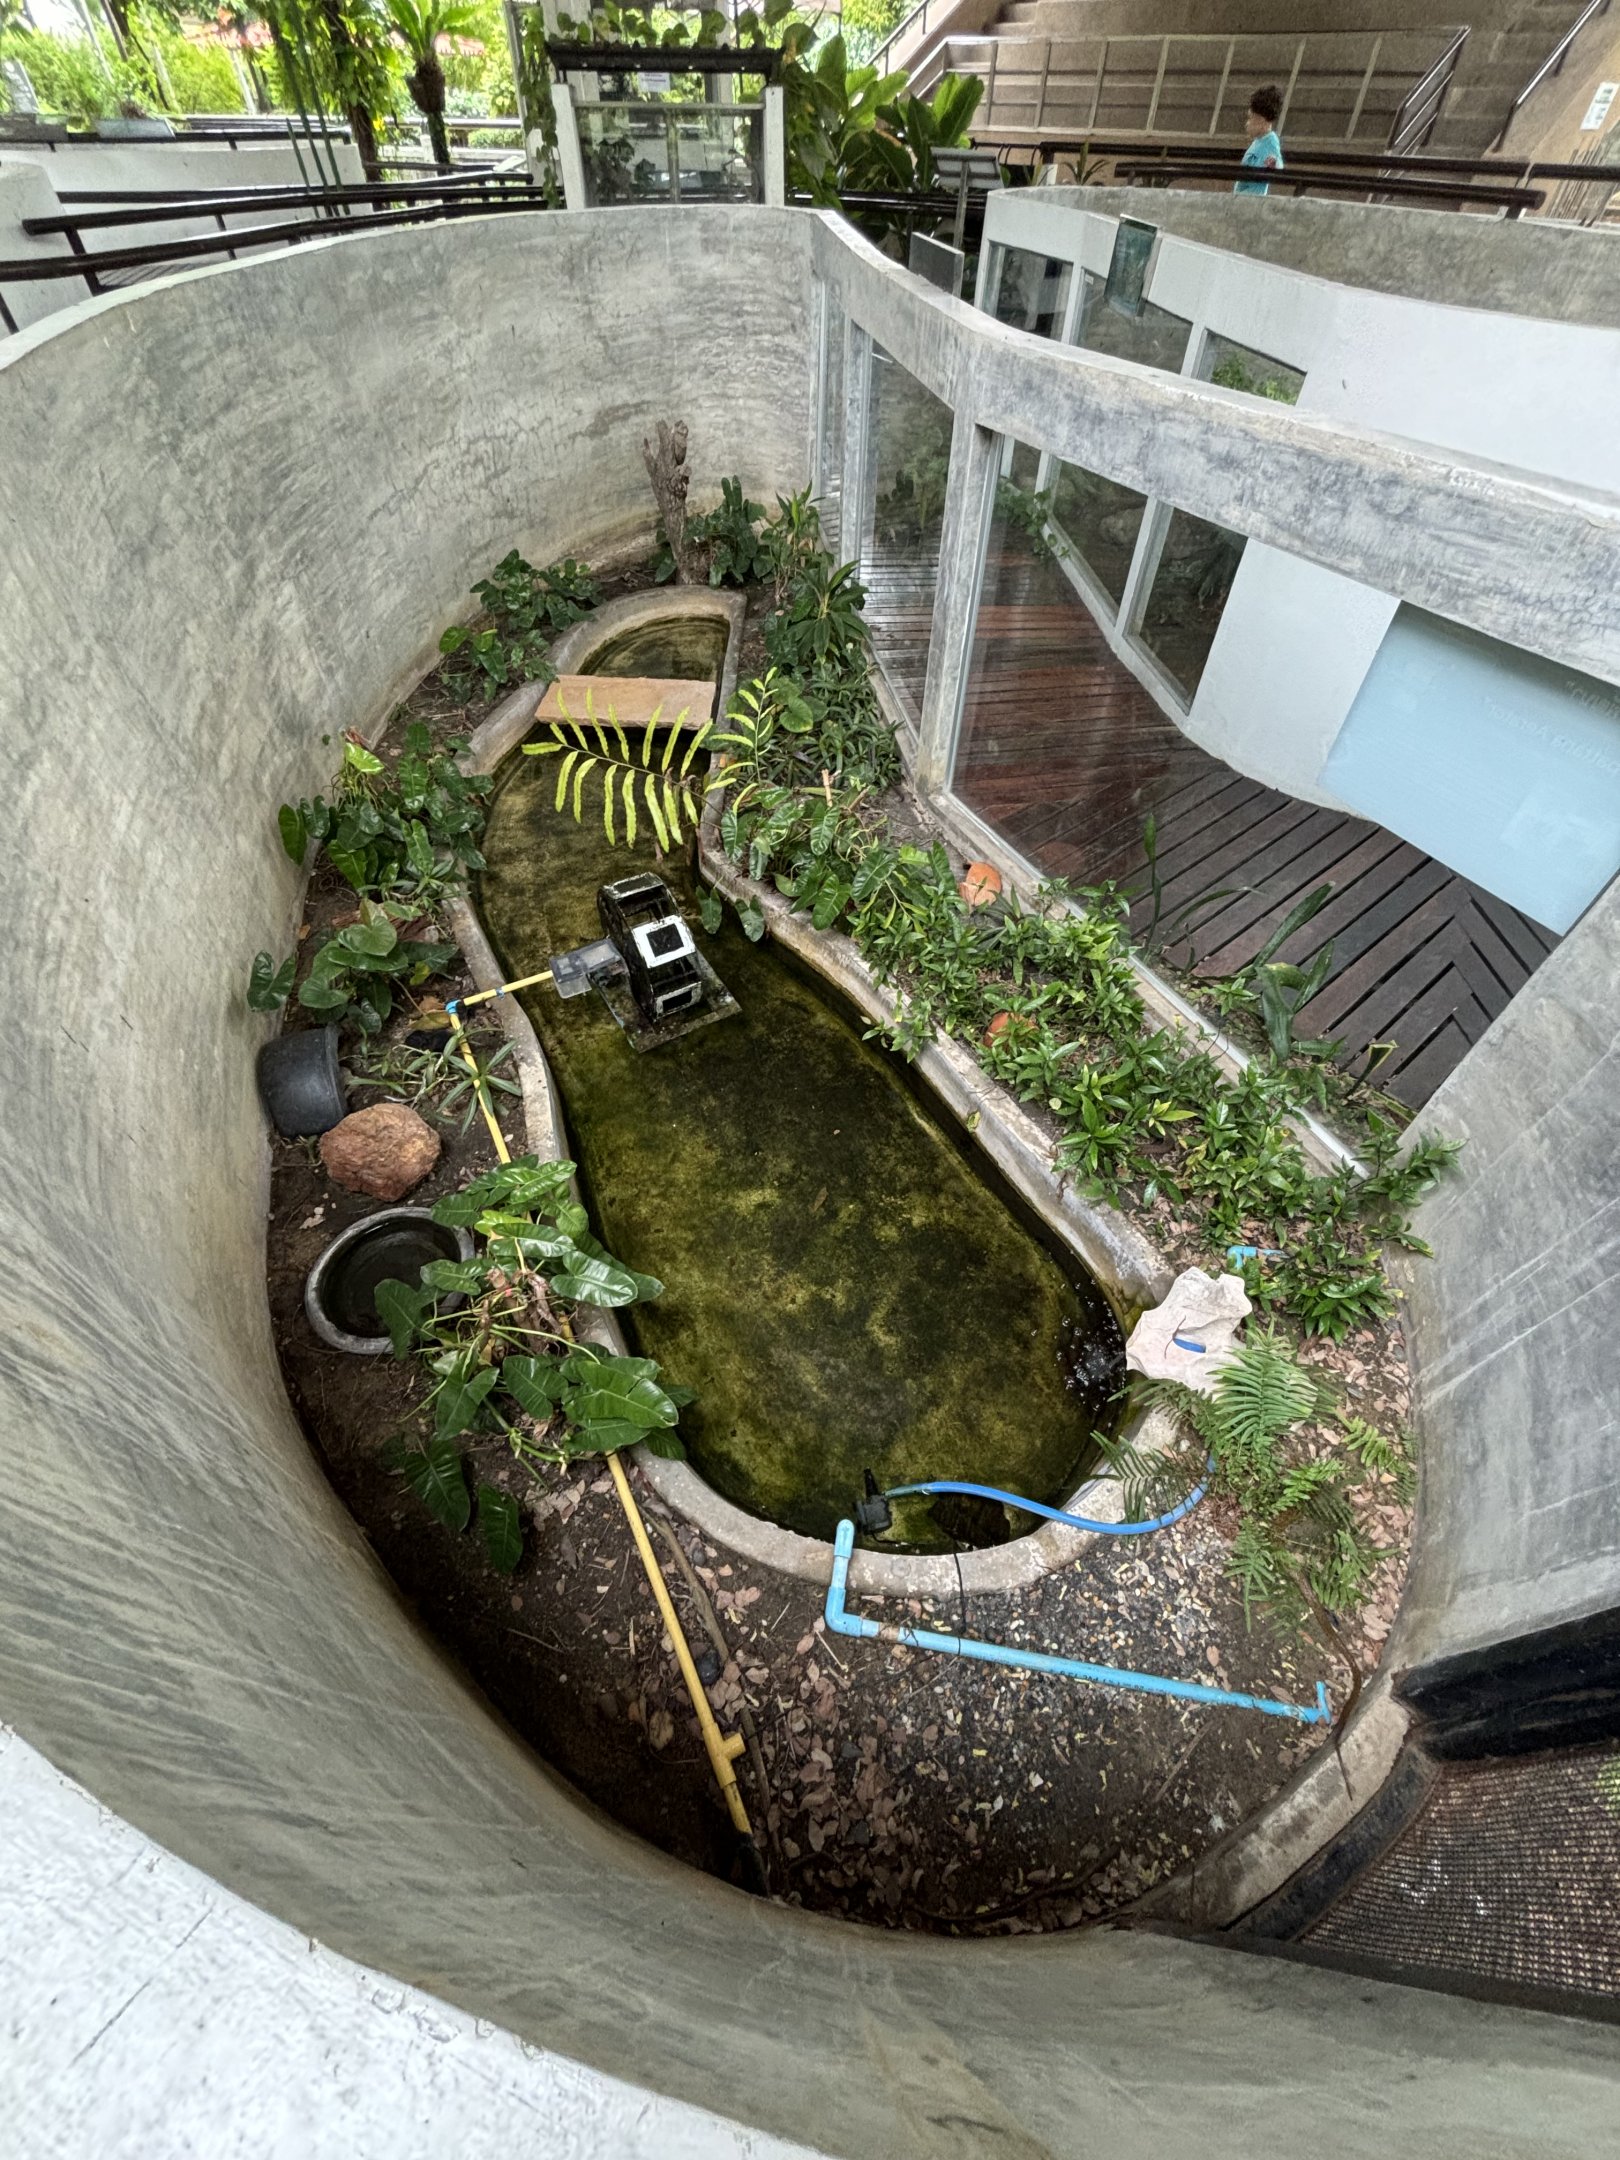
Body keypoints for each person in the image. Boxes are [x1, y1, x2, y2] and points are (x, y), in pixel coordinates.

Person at [1235, 84, 1284, 195]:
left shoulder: (1270, 142)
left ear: (1261, 121)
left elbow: (1278, 166)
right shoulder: (1258, 141)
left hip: (1252, 200)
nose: (1247, 123)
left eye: (1251, 118)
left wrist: (1272, 163)